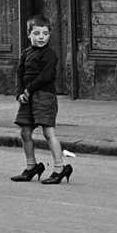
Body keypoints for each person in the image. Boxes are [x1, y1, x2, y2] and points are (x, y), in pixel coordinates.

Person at [11, 14, 72, 185]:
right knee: (25, 132)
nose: (41, 37)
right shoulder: (26, 53)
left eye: (45, 33)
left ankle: (60, 168)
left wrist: (28, 89)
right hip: (27, 98)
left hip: (45, 97)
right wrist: (19, 93)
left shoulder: (49, 54)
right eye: (37, 33)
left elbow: (46, 76)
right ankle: (32, 166)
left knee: (48, 133)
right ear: (28, 34)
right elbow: (19, 73)